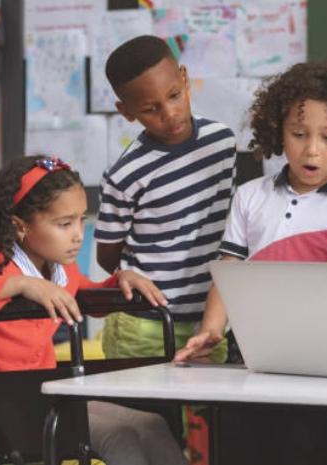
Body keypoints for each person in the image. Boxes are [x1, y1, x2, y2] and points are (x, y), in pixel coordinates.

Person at [0, 155, 187, 465]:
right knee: (120, 435)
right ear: (20, 226)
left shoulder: (62, 270)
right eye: (65, 224)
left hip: (44, 393)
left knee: (151, 424)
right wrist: (21, 285)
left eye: (81, 221)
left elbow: (86, 296)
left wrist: (120, 282)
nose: (78, 234)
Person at [174, 60, 327, 362]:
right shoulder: (249, 196)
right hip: (250, 345)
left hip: (323, 349)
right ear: (279, 130)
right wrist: (211, 329)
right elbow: (229, 273)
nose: (312, 149)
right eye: (299, 134)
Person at [95, 35, 237, 361]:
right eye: (150, 108)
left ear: (185, 80)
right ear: (126, 111)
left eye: (174, 96)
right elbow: (108, 255)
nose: (169, 113)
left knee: (207, 411)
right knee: (145, 412)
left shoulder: (222, 143)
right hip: (143, 325)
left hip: (209, 319)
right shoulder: (126, 173)